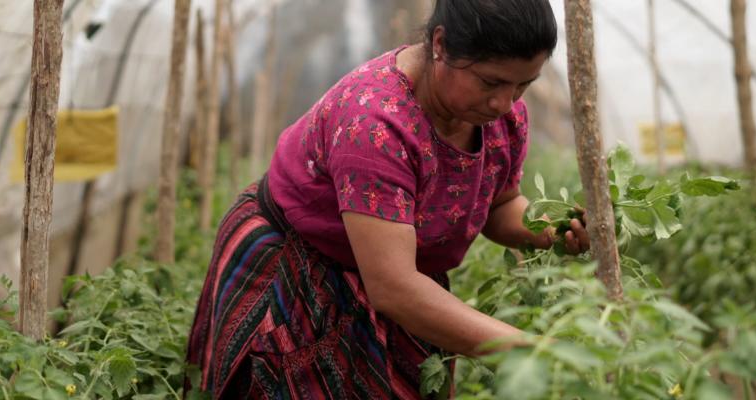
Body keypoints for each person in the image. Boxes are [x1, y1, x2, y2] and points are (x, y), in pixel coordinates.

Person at [186, 0, 590, 398]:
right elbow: (394, 287)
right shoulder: (375, 121)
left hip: (396, 271)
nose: (505, 103)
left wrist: (552, 229)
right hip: (301, 263)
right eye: (490, 82)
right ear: (441, 45)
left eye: (522, 84)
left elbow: (500, 206)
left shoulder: (500, 115)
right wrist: (531, 349)